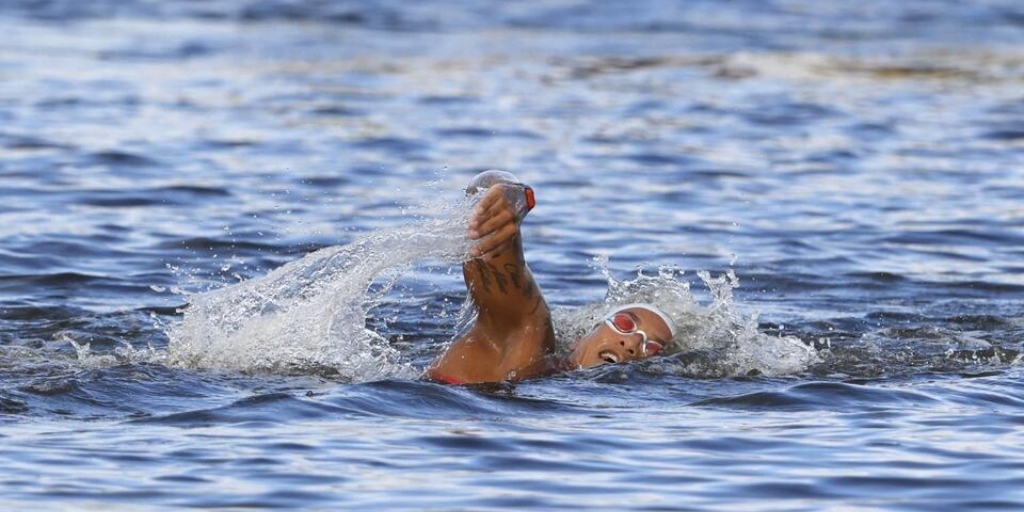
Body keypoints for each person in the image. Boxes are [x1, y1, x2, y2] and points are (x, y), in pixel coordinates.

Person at [426, 171, 678, 385]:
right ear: (579, 340)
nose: (632, 343)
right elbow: (483, 202)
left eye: (651, 348)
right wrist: (510, 198)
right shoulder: (528, 342)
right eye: (625, 323)